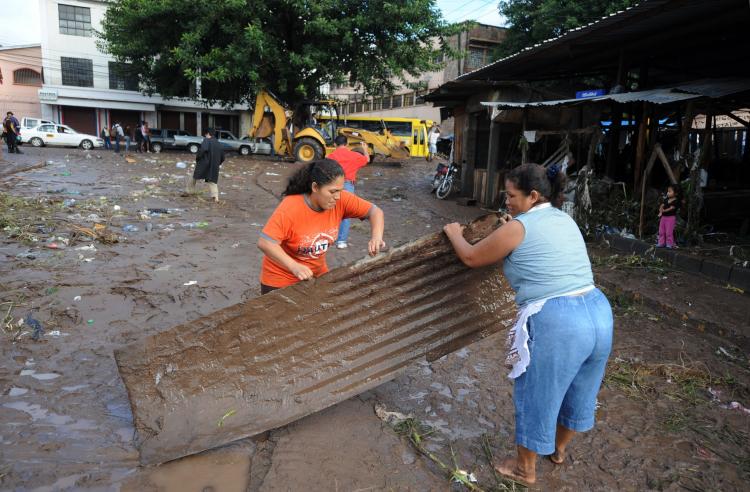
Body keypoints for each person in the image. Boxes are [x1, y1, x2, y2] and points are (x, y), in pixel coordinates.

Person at [442, 163, 613, 485]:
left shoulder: (518, 228)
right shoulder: (563, 218)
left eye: (511, 195)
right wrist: (510, 225)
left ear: (533, 195)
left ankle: (524, 470)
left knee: (538, 393)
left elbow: (471, 257)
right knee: (581, 389)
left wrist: (453, 233)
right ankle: (558, 451)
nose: (506, 201)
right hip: (598, 311)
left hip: (558, 319)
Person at [257, 158, 385, 295]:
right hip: (280, 280)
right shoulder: (290, 208)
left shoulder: (341, 200)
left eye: (340, 191)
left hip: (316, 275)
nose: (337, 197)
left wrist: (376, 237)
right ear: (315, 187)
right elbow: (266, 243)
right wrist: (294, 266)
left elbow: (375, 212)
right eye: (332, 191)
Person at [326, 135, 370, 249]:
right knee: (346, 214)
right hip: (348, 186)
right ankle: (341, 241)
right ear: (347, 144)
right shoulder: (354, 156)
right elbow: (367, 160)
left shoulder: (330, 156)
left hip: (334, 185)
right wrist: (365, 149)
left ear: (335, 144)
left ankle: (330, 239)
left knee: (332, 212)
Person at [185, 129, 224, 202]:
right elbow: (223, 157)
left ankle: (189, 191)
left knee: (194, 176)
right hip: (214, 166)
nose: (205, 136)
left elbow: (203, 150)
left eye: (205, 135)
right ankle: (215, 197)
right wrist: (217, 163)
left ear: (208, 134)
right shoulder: (219, 143)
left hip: (204, 164)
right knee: (212, 181)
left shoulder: (206, 140)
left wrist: (198, 158)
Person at [657, 184, 679, 248]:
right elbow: (662, 205)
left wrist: (663, 211)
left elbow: (671, 208)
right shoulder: (666, 199)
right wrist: (660, 210)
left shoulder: (676, 201)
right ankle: (661, 243)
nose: (667, 193)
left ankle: (669, 243)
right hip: (663, 218)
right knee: (661, 231)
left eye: (670, 191)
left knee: (669, 232)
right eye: (667, 191)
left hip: (670, 218)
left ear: (676, 193)